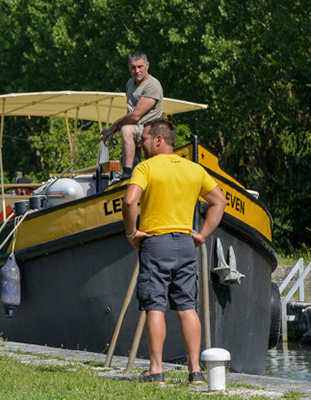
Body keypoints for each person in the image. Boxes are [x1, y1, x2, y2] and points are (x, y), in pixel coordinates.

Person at [122, 118, 226, 384]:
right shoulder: (195, 169)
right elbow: (219, 201)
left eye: (143, 139)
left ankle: (156, 370)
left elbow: (129, 200)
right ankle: (195, 371)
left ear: (159, 139)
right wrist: (202, 235)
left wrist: (132, 232)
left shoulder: (146, 168)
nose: (141, 144)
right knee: (187, 306)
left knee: (155, 306)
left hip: (156, 243)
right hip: (184, 245)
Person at [102, 50, 164, 179]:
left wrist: (117, 124)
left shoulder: (153, 85)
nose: (137, 71)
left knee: (126, 129)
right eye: (133, 68)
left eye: (140, 67)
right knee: (125, 130)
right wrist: (112, 131)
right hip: (136, 129)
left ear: (147, 65)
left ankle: (127, 171)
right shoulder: (130, 83)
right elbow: (130, 113)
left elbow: (136, 115)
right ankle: (131, 173)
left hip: (151, 128)